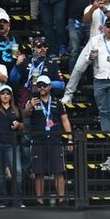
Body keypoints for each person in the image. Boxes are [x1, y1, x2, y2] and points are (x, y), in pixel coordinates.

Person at [25, 74, 72, 206]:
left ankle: (61, 199)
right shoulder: (33, 101)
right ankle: (39, 200)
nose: (42, 88)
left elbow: (65, 120)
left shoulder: (58, 103)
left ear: (49, 87)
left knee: (58, 170)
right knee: (38, 171)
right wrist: (30, 106)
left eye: (44, 85)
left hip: (55, 140)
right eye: (39, 85)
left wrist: (69, 139)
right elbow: (25, 115)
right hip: (38, 140)